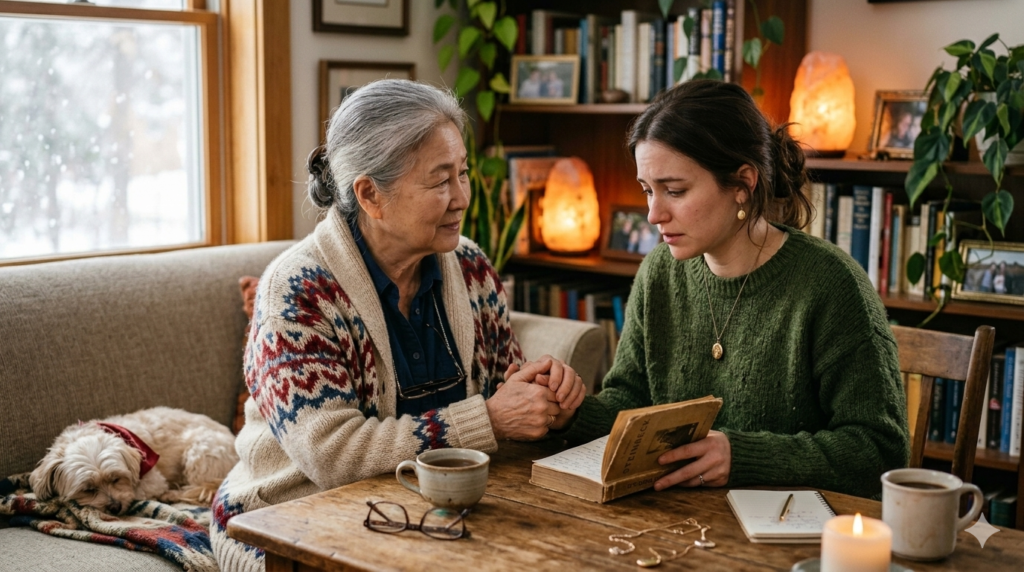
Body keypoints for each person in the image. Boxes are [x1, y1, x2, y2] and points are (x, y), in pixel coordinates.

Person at [212, 79, 585, 572]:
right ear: (370, 194)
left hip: (424, 513)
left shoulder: (470, 267)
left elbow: (504, 396)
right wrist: (489, 420)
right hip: (287, 523)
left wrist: (543, 399)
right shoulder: (299, 291)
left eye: (463, 173)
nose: (462, 197)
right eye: (439, 181)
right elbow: (334, 457)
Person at [561, 80, 909, 499]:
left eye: (674, 191)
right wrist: (567, 411)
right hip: (680, 526)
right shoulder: (659, 272)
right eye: (647, 191)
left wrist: (742, 457)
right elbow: (630, 402)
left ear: (743, 183)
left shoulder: (831, 285)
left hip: (791, 540)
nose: (653, 214)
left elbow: (881, 452)